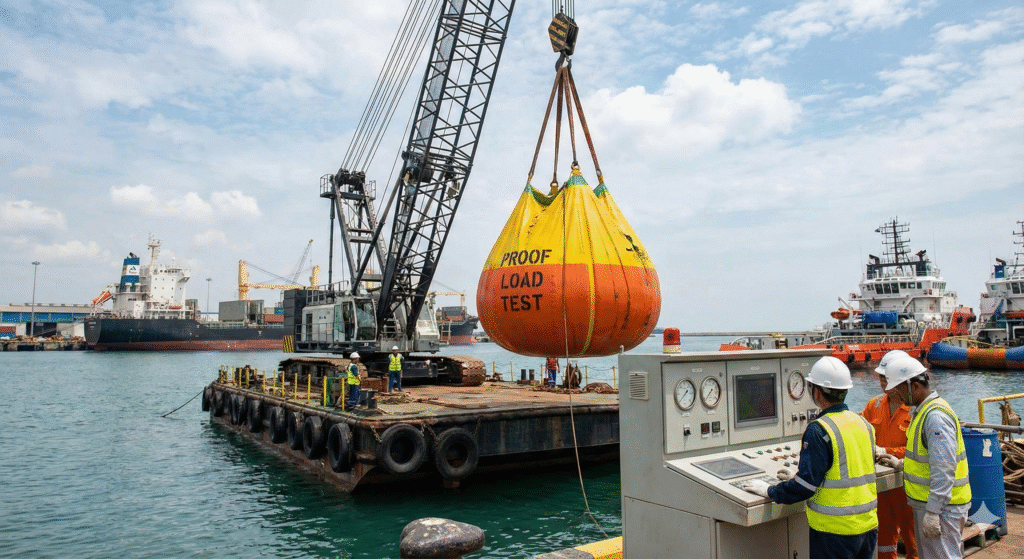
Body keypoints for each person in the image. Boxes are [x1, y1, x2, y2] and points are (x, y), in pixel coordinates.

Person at [742, 356, 878, 559]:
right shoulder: (863, 424)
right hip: (867, 528)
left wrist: (770, 490)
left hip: (834, 532)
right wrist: (796, 478)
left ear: (816, 391)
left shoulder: (819, 430)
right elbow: (846, 468)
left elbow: (806, 486)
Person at [878, 356, 971, 559]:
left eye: (901, 390)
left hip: (943, 509)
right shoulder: (923, 412)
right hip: (934, 506)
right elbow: (928, 458)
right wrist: (901, 463)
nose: (899, 396)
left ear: (917, 386)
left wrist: (933, 512)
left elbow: (944, 467)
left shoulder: (935, 417)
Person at [862, 350, 918, 559]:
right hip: (882, 485)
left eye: (887, 378)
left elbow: (919, 450)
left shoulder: (915, 409)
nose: (883, 383)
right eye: (880, 378)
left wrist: (886, 451)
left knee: (913, 538)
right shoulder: (874, 405)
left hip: (907, 483)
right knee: (884, 537)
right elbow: (862, 434)